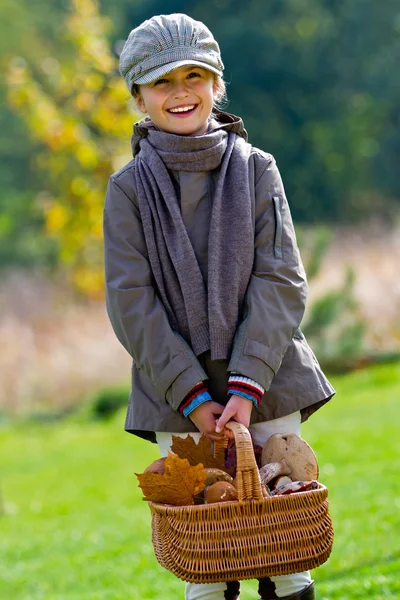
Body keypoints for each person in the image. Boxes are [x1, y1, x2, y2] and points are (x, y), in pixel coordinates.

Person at [103, 13, 335, 600]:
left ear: (216, 84)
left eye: (194, 76)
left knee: (286, 552)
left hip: (268, 379)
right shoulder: (127, 191)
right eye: (161, 82)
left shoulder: (258, 170)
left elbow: (281, 277)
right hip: (175, 394)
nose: (180, 93)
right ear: (138, 94)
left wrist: (245, 386)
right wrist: (192, 395)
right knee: (206, 566)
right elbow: (131, 301)